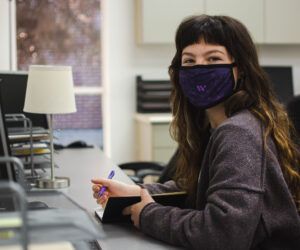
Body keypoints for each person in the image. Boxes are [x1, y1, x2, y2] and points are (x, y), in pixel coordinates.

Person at [91, 15, 300, 249]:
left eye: (213, 58)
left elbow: (223, 234)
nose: (200, 68)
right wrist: (136, 191)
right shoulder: (216, 124)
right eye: (189, 61)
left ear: (240, 69)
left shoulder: (238, 133)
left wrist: (149, 214)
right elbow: (201, 186)